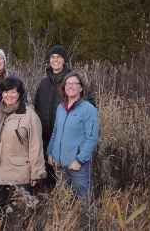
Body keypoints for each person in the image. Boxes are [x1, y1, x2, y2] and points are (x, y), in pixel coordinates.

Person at [0, 77, 46, 217]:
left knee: (21, 214)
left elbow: (36, 145)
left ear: (19, 94)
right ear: (1, 93)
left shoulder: (29, 115)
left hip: (20, 174)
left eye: (13, 92)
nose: (9, 95)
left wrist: (36, 172)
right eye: (6, 92)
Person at [34, 46, 95, 188]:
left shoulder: (72, 81)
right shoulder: (43, 83)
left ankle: (83, 208)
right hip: (47, 138)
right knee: (51, 175)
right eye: (53, 57)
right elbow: (37, 106)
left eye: (59, 57)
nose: (55, 60)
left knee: (76, 183)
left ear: (64, 60)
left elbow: (88, 104)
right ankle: (53, 205)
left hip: (70, 140)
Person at [46, 72, 99, 206]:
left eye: (74, 84)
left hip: (76, 165)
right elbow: (55, 131)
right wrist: (50, 152)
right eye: (67, 84)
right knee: (65, 200)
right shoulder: (61, 108)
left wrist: (80, 160)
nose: (70, 86)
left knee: (84, 200)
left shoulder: (88, 109)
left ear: (81, 88)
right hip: (59, 163)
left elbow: (92, 138)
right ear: (64, 87)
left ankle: (90, 224)